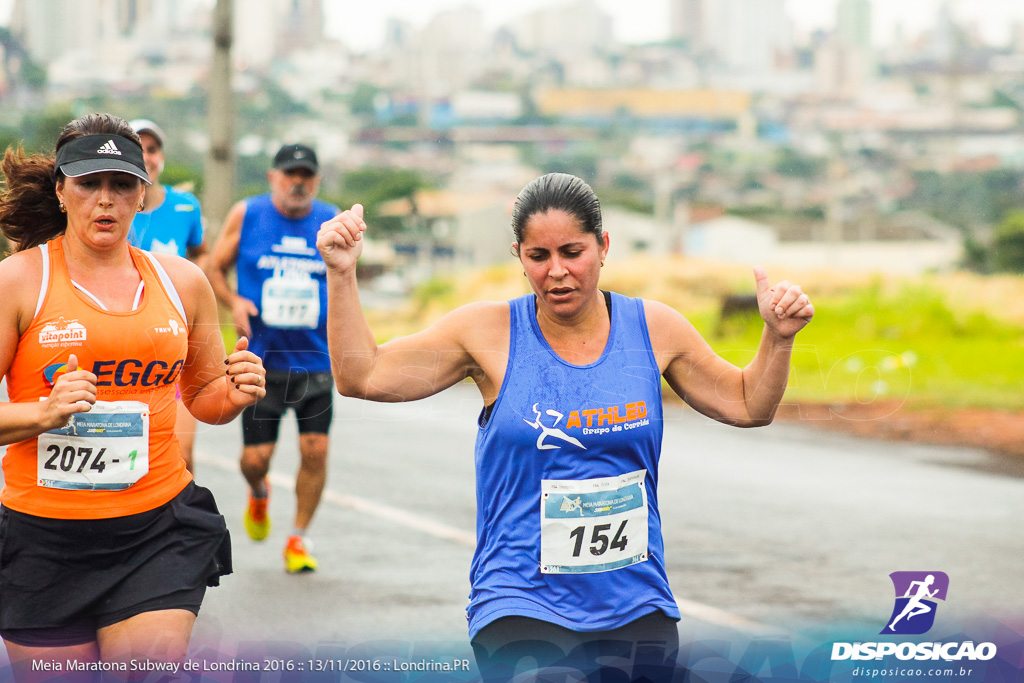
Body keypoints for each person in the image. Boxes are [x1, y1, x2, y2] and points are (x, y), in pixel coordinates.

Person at [316, 173, 815, 681]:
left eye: (572, 252)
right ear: (519, 256)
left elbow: (749, 404)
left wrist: (777, 339)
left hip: (636, 603)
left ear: (603, 247)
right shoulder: (486, 332)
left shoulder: (655, 328)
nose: (557, 272)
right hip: (519, 601)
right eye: (538, 257)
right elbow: (364, 375)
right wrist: (341, 275)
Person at [0, 113, 266, 678]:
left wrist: (237, 392)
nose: (105, 200)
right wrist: (43, 413)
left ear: (143, 195)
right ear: (60, 190)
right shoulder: (20, 281)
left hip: (153, 530)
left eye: (122, 184)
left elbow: (206, 399)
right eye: (88, 183)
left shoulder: (183, 283)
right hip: (42, 543)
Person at [207, 143, 338, 574]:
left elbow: (347, 276)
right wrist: (234, 302)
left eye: (306, 175)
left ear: (316, 181)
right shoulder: (248, 214)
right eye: (289, 174)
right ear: (273, 177)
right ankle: (259, 493)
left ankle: (298, 539)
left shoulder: (330, 220)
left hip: (315, 360)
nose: (297, 182)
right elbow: (212, 267)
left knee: (315, 449)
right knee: (254, 460)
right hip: (260, 362)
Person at [128, 118, 207, 474]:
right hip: (121, 343)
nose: (146, 156)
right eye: (138, 148)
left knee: (181, 455)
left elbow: (201, 252)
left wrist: (196, 290)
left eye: (153, 149)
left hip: (173, 341)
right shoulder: (106, 208)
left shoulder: (185, 207)